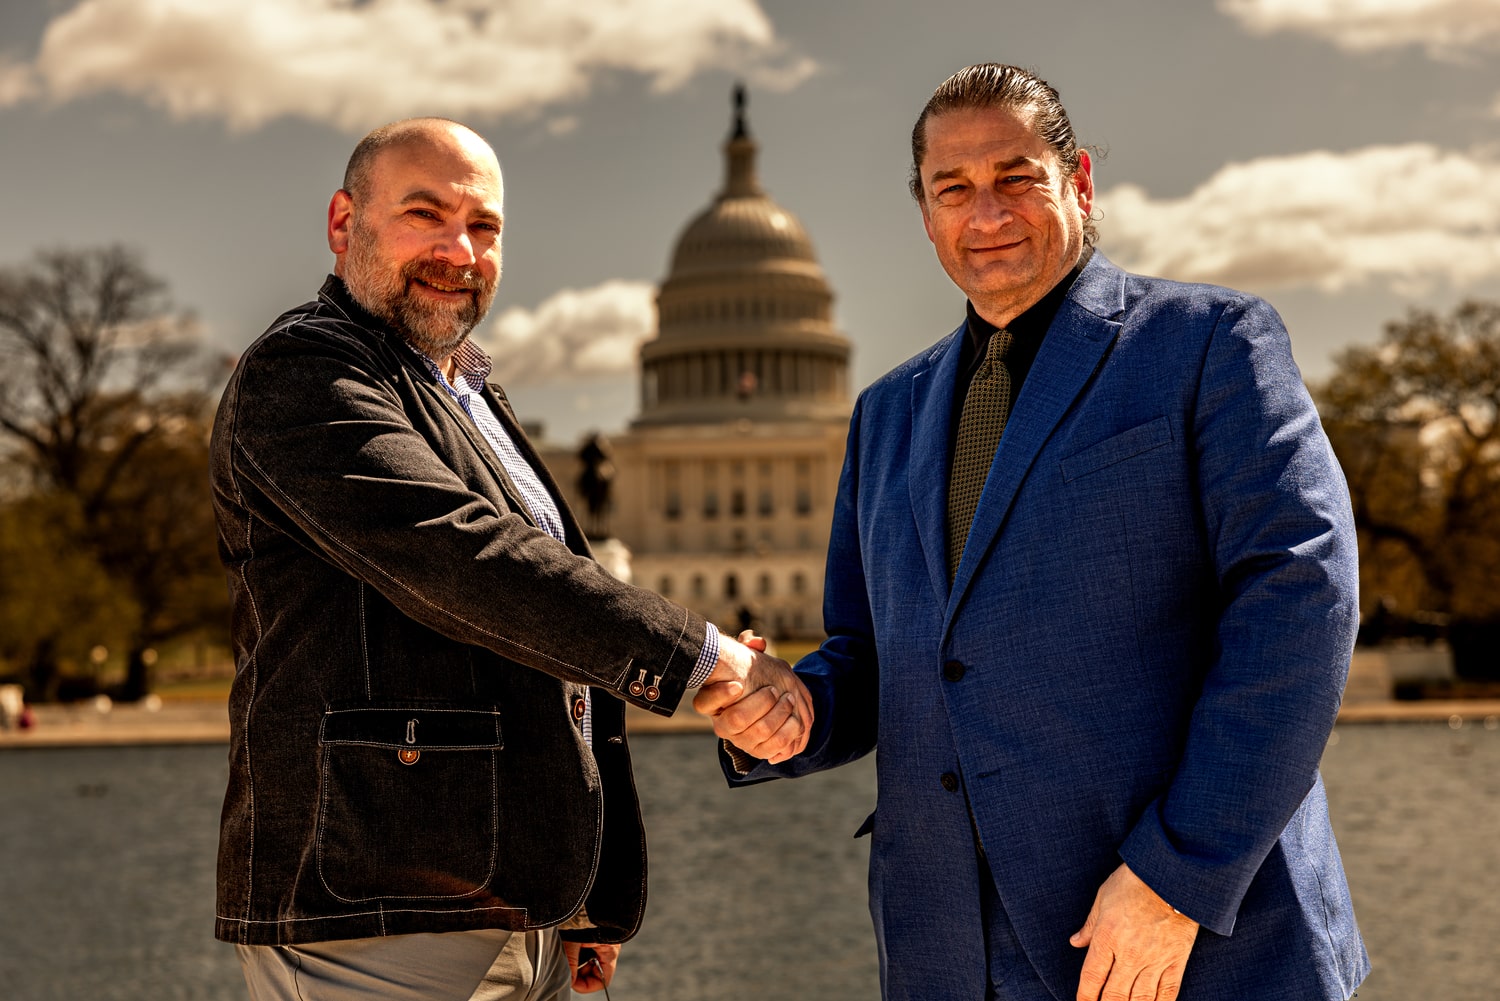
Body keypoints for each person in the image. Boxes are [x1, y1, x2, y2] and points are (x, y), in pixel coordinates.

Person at [698, 64, 1368, 1001]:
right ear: (925, 216)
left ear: (1079, 181)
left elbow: (1301, 603)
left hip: (1183, 937)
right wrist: (791, 713)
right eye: (953, 190)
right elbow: (875, 655)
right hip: (948, 952)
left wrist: (1179, 878)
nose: (987, 215)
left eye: (1016, 178)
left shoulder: (1208, 344)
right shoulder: (887, 412)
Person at [210, 117, 811, 1000]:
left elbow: (537, 633)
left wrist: (582, 907)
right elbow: (470, 564)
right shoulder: (304, 372)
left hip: (514, 910)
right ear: (344, 223)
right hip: (374, 902)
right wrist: (712, 660)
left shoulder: (466, 387)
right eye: (425, 213)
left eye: (483, 226)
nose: (460, 249)